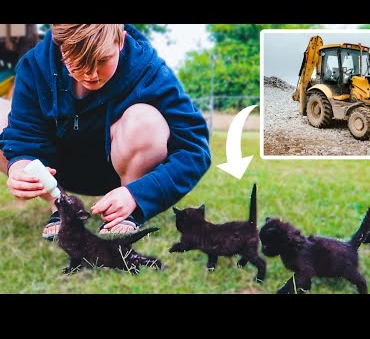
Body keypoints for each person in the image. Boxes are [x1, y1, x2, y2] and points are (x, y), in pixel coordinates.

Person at [0, 24, 211, 240]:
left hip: (120, 170)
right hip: (58, 171)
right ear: (60, 46)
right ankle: (62, 207)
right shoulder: (34, 65)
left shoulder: (149, 69)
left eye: (102, 60)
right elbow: (22, 138)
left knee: (144, 119)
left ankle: (128, 212)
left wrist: (138, 193)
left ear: (121, 40)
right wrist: (19, 166)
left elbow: (194, 148)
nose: (90, 74)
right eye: (77, 61)